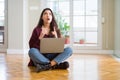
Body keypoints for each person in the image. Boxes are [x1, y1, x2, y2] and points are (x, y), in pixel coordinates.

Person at [28, 8, 73, 73]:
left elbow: (60, 49)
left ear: (52, 18)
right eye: (45, 13)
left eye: (50, 14)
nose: (48, 15)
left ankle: (47, 66)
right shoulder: (37, 30)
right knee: (31, 51)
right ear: (42, 17)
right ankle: (55, 65)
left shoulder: (56, 30)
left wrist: (56, 38)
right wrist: (40, 38)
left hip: (53, 55)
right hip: (41, 56)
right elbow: (31, 47)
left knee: (69, 50)